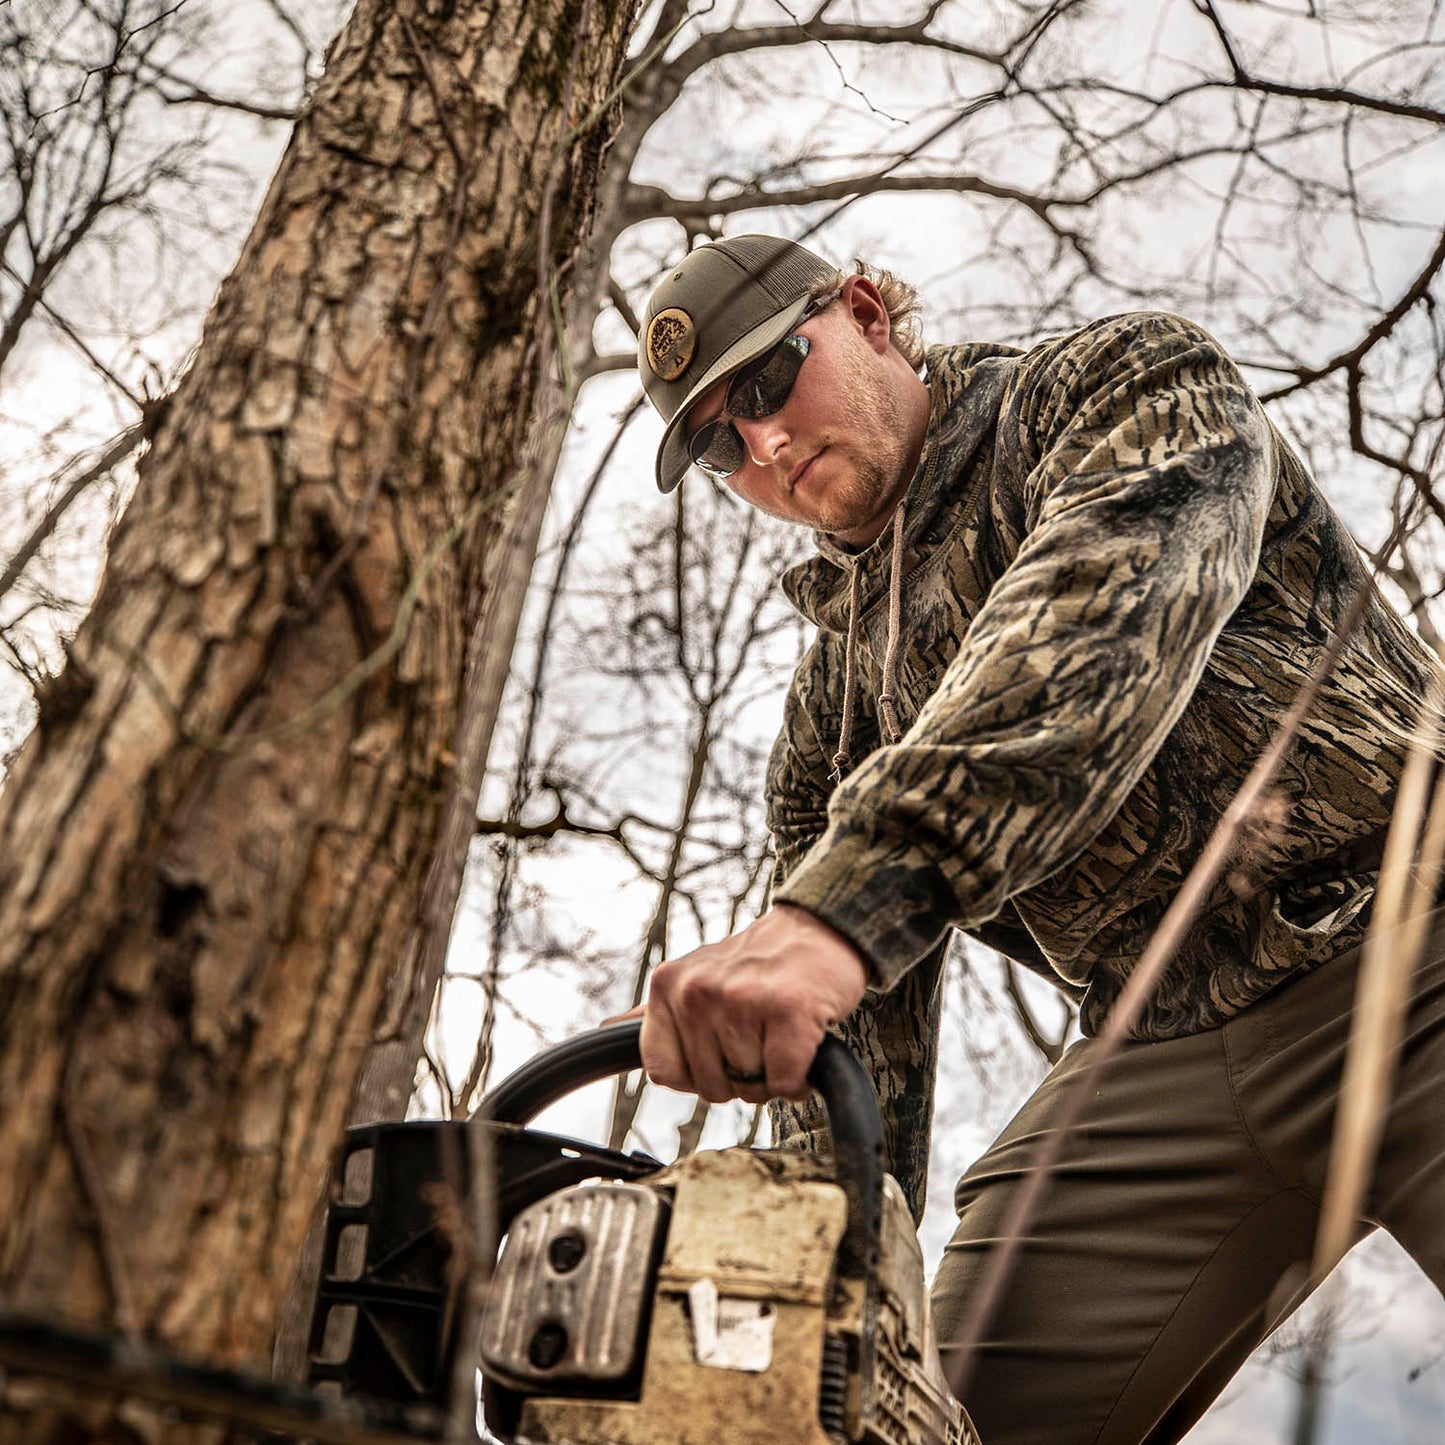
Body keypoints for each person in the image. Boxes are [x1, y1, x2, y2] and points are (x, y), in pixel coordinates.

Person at [629, 233, 1445, 1444]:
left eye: (763, 383)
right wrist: (814, 1289)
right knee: (907, 1407)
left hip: (1411, 933)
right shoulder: (827, 715)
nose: (759, 445)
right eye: (712, 442)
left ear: (863, 311)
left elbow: (1088, 641)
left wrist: (837, 913)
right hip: (1162, 1043)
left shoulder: (1124, 384)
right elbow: (844, 1063)